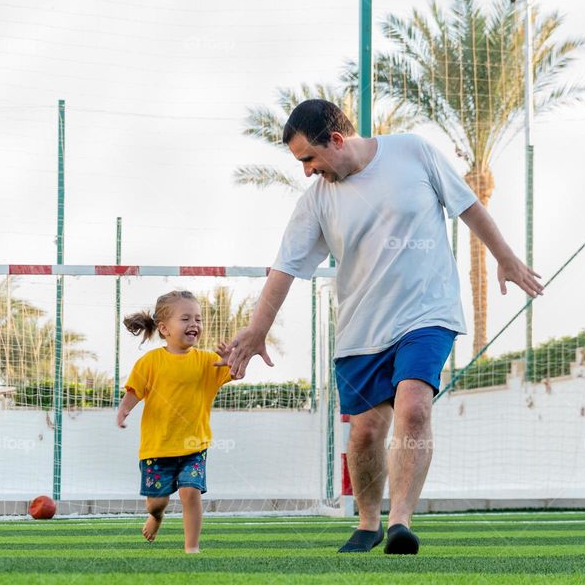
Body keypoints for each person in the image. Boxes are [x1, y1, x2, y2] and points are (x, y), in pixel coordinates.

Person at [227, 99, 541, 554]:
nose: (307, 171)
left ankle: (400, 522)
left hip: (427, 313)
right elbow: (285, 268)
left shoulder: (413, 152)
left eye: (309, 158)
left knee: (414, 406)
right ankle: (369, 522)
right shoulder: (315, 201)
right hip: (361, 328)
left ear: (336, 140)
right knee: (367, 431)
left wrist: (506, 257)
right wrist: (256, 331)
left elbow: (468, 205)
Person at [117, 290, 239, 553]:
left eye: (198, 318)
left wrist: (230, 362)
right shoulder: (150, 361)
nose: (194, 324)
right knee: (156, 503)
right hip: (157, 448)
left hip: (194, 446)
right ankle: (156, 517)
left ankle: (191, 548)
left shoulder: (209, 362)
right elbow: (135, 390)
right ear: (164, 328)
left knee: (190, 492)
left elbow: (235, 373)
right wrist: (123, 410)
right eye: (185, 318)